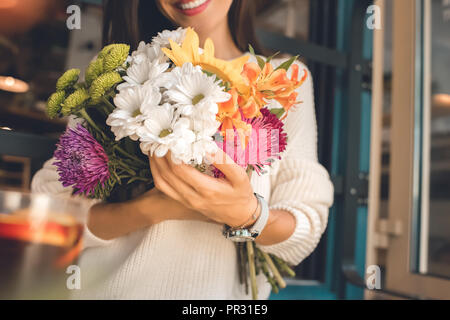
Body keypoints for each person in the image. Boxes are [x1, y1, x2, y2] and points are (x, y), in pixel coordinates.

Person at [31, 0, 334, 299]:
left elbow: (305, 224)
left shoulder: (283, 81)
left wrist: (247, 214)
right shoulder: (121, 75)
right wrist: (151, 209)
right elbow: (53, 214)